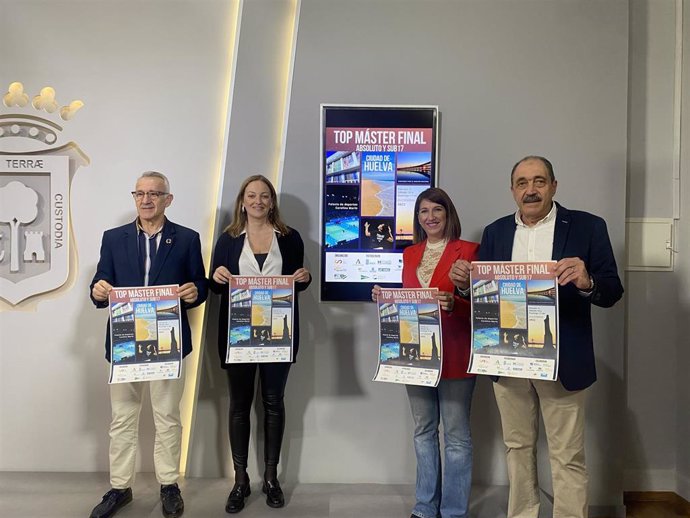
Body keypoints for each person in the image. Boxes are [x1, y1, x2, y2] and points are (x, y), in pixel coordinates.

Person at [450, 156, 623, 518]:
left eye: (539, 182)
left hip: (564, 359)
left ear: (554, 186)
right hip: (507, 358)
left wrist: (587, 280)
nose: (531, 190)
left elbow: (612, 290)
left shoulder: (588, 227)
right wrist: (465, 286)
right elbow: (485, 294)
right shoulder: (496, 232)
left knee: (567, 454)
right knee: (517, 447)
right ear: (512, 190)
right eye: (523, 183)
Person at [89, 171, 208, 518]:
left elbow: (198, 284)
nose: (146, 200)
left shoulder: (186, 239)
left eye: (154, 194)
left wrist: (194, 292)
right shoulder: (114, 238)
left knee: (168, 417)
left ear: (167, 200)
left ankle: (169, 485)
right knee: (123, 419)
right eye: (140, 193)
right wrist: (98, 289)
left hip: (168, 345)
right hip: (126, 343)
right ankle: (119, 488)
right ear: (134, 198)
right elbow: (101, 282)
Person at [372, 187, 479, 518]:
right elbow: (410, 300)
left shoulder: (470, 250)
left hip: (457, 353)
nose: (430, 217)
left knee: (457, 437)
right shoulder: (410, 253)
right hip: (415, 355)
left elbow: (484, 305)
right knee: (423, 431)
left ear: (449, 214)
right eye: (423, 212)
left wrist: (456, 302)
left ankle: (454, 511)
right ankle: (424, 507)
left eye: (437, 210)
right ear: (417, 218)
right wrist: (386, 298)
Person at [210, 174, 311, 513]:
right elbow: (216, 284)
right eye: (251, 196)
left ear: (271, 202)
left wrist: (304, 278)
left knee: (273, 402)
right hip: (238, 336)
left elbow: (298, 279)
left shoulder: (290, 237)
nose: (257, 201)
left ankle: (271, 478)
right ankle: (240, 481)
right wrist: (218, 277)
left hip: (278, 336)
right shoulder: (227, 238)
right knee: (239, 404)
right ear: (242, 201)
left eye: (264, 196)